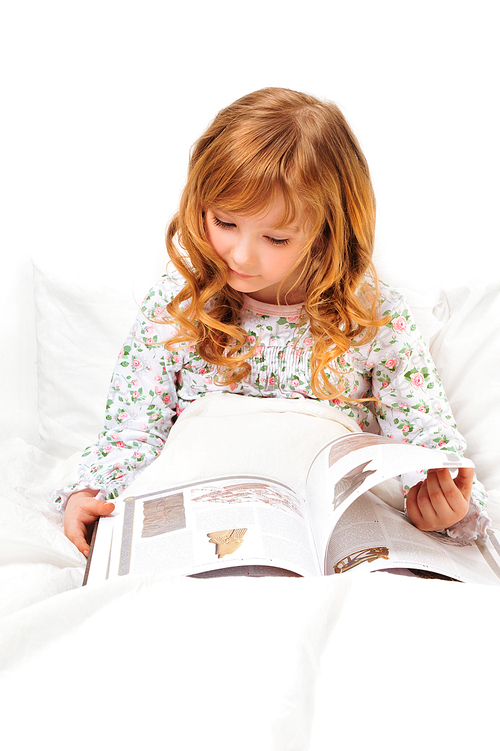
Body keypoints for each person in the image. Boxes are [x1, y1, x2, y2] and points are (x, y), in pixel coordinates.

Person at [55, 87, 490, 557]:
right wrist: (92, 495)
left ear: (328, 234)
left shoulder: (374, 319)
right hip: (202, 520)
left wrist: (444, 504)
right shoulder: (178, 306)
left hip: (325, 534)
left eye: (276, 238)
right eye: (224, 223)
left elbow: (425, 442)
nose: (241, 255)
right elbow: (133, 431)